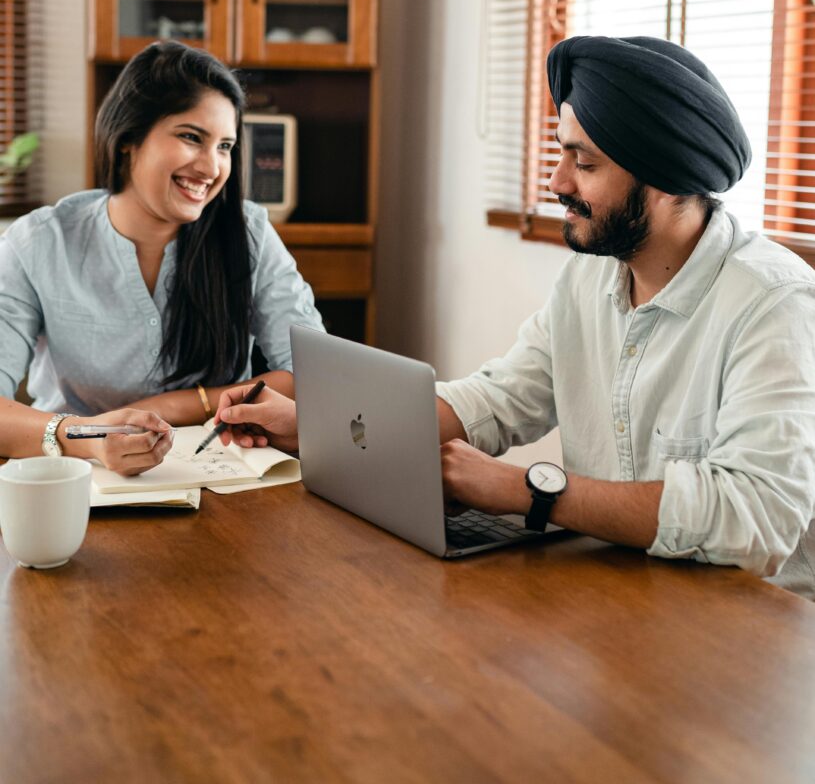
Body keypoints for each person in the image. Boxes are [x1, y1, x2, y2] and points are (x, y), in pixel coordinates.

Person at [215, 36, 815, 601]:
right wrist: (318, 424)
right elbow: (500, 399)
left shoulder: (775, 304)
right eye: (561, 153)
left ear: (662, 177)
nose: (556, 182)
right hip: (623, 595)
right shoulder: (589, 276)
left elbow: (754, 517)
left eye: (584, 163)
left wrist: (528, 492)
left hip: (752, 630)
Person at [0, 41, 323, 472]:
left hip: (222, 478)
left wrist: (171, 406)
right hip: (74, 479)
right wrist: (86, 436)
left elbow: (314, 375)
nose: (211, 168)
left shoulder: (249, 233)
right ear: (129, 138)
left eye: (225, 146)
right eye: (192, 138)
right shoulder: (39, 241)